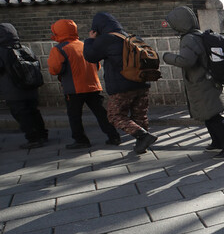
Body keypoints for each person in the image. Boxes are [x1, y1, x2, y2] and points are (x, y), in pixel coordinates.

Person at [162, 6, 224, 159]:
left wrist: (166, 57)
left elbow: (187, 61)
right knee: (208, 115)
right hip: (205, 81)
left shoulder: (189, 39)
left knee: (214, 117)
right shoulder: (197, 35)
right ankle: (217, 142)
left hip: (202, 82)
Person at [83, 12, 157, 154]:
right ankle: (141, 144)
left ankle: (143, 136)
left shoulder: (106, 39)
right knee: (139, 115)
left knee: (114, 115)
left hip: (122, 86)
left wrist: (90, 40)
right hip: (142, 83)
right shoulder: (131, 37)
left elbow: (90, 57)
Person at [47, 19, 120, 150]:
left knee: (74, 116)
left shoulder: (59, 49)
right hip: (93, 86)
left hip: (74, 89)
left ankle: (81, 140)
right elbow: (96, 65)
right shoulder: (84, 45)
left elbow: (54, 69)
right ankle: (113, 136)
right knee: (101, 113)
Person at [0, 23, 48, 149]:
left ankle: (33, 139)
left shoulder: (2, 52)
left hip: (13, 91)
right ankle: (42, 134)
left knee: (22, 115)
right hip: (31, 88)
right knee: (34, 111)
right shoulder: (25, 48)